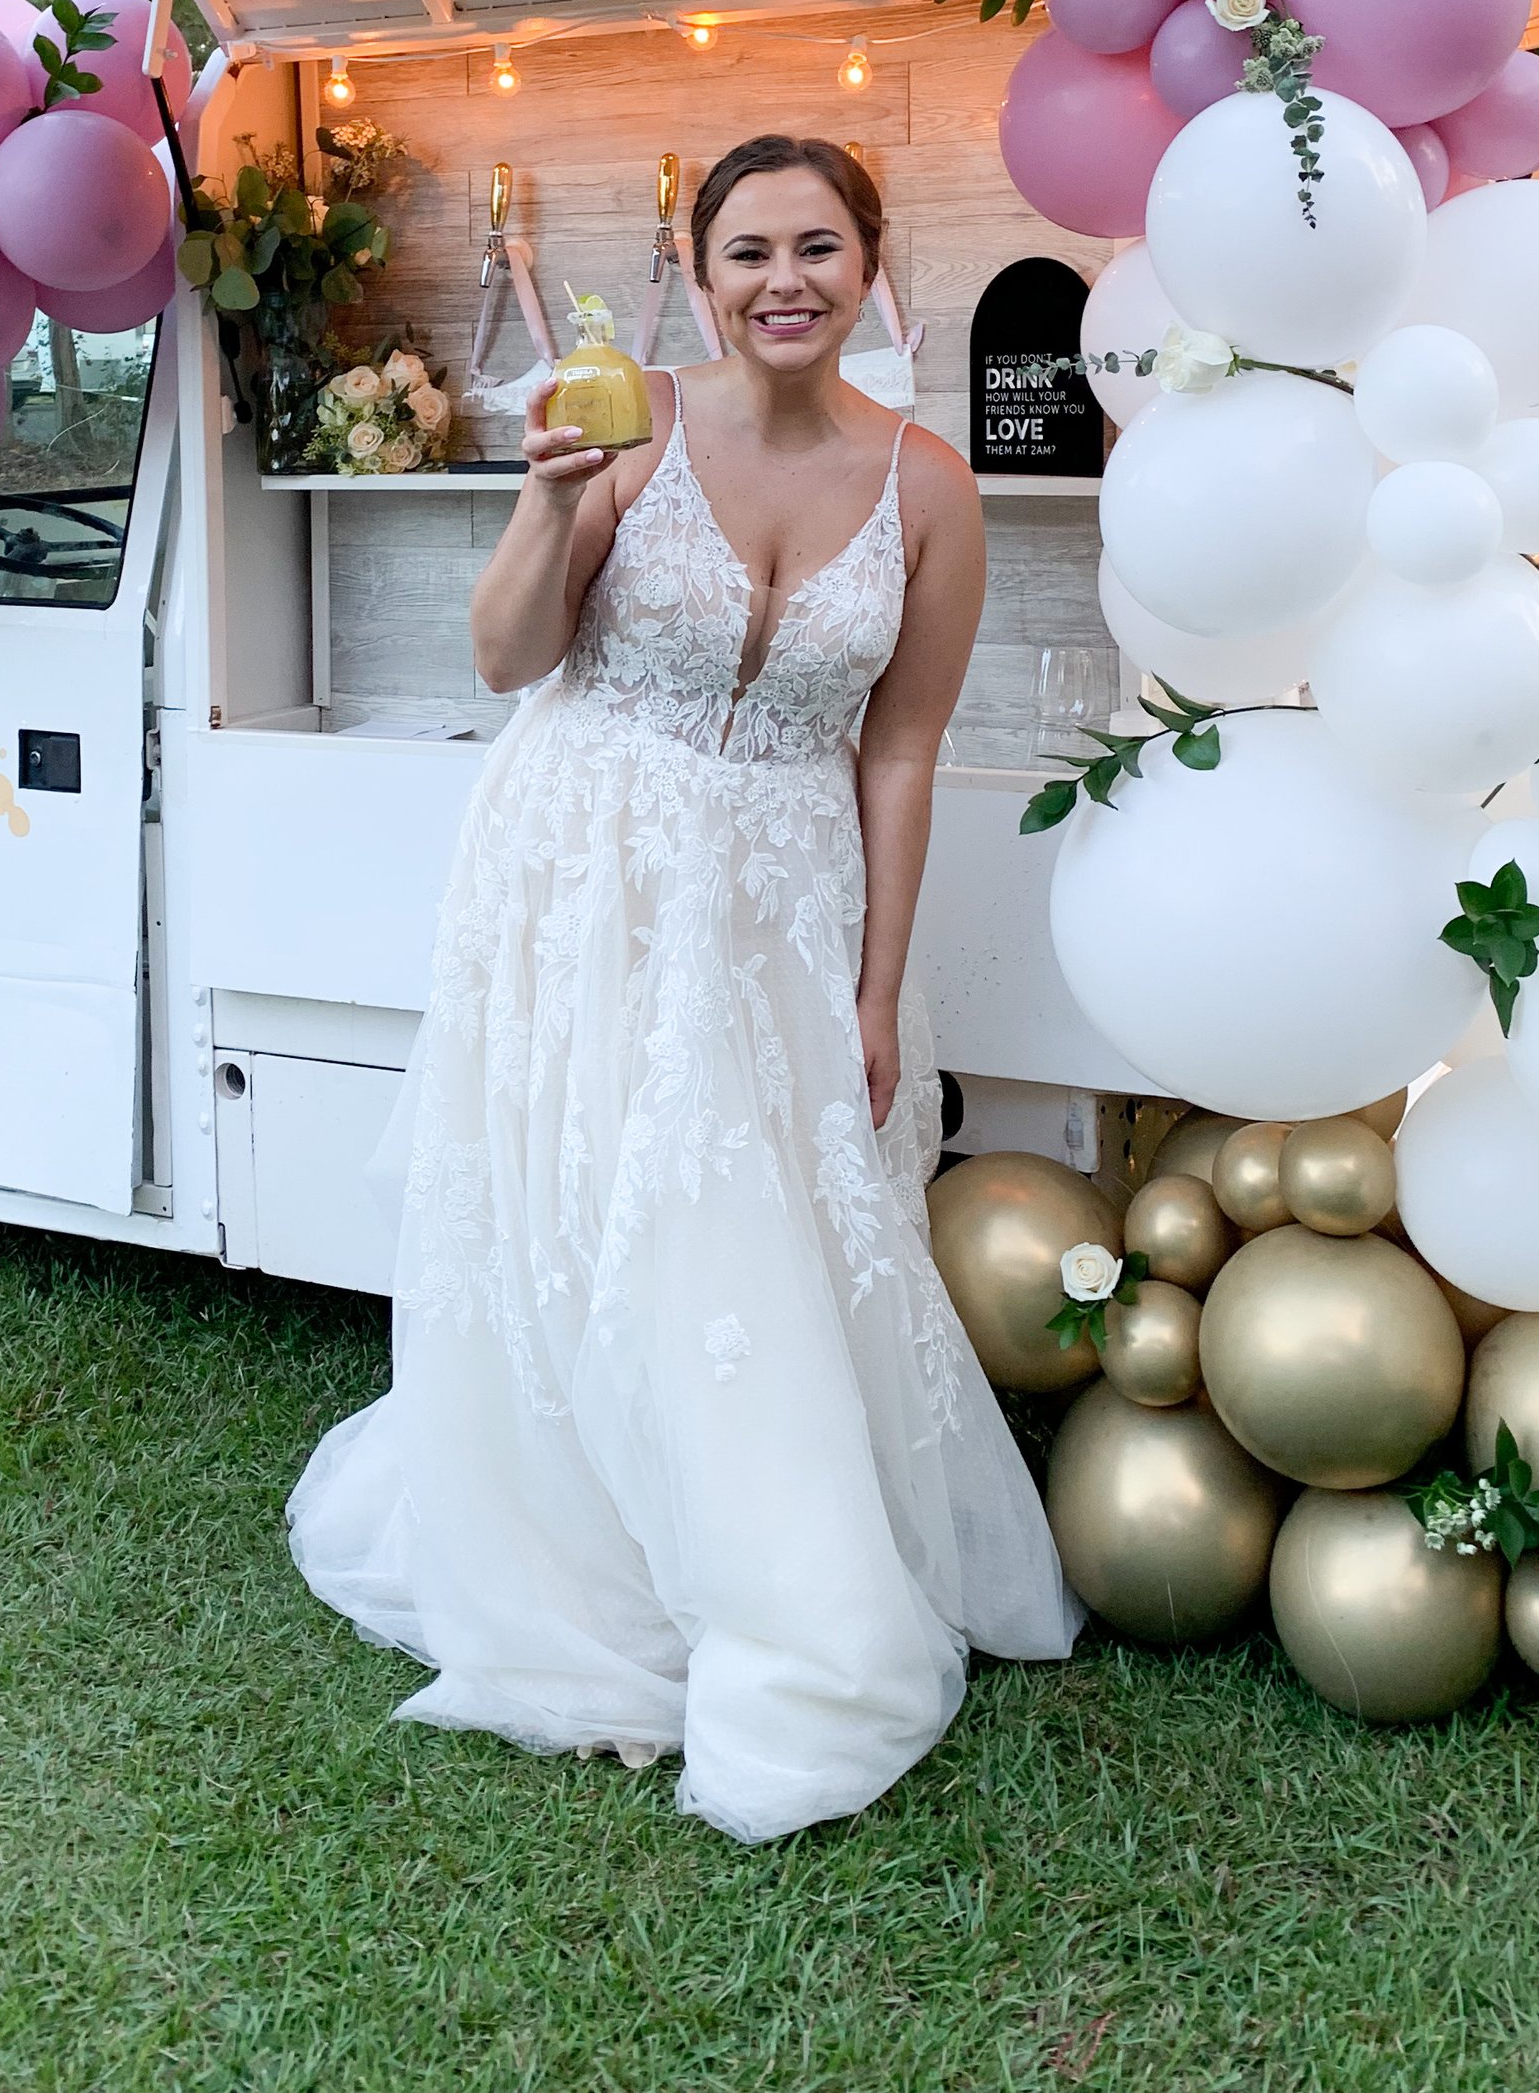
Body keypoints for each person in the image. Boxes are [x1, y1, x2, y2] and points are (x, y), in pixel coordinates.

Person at [289, 133, 1079, 1841]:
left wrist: (878, 993)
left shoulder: (928, 484)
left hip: (785, 903)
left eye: (816, 246)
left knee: (749, 1223)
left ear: (871, 264)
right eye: (746, 252)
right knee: (588, 1195)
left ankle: (773, 1550)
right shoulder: (620, 414)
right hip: (583, 869)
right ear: (702, 274)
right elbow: (506, 656)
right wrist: (551, 496)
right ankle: (595, 1545)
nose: (782, 280)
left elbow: (903, 750)